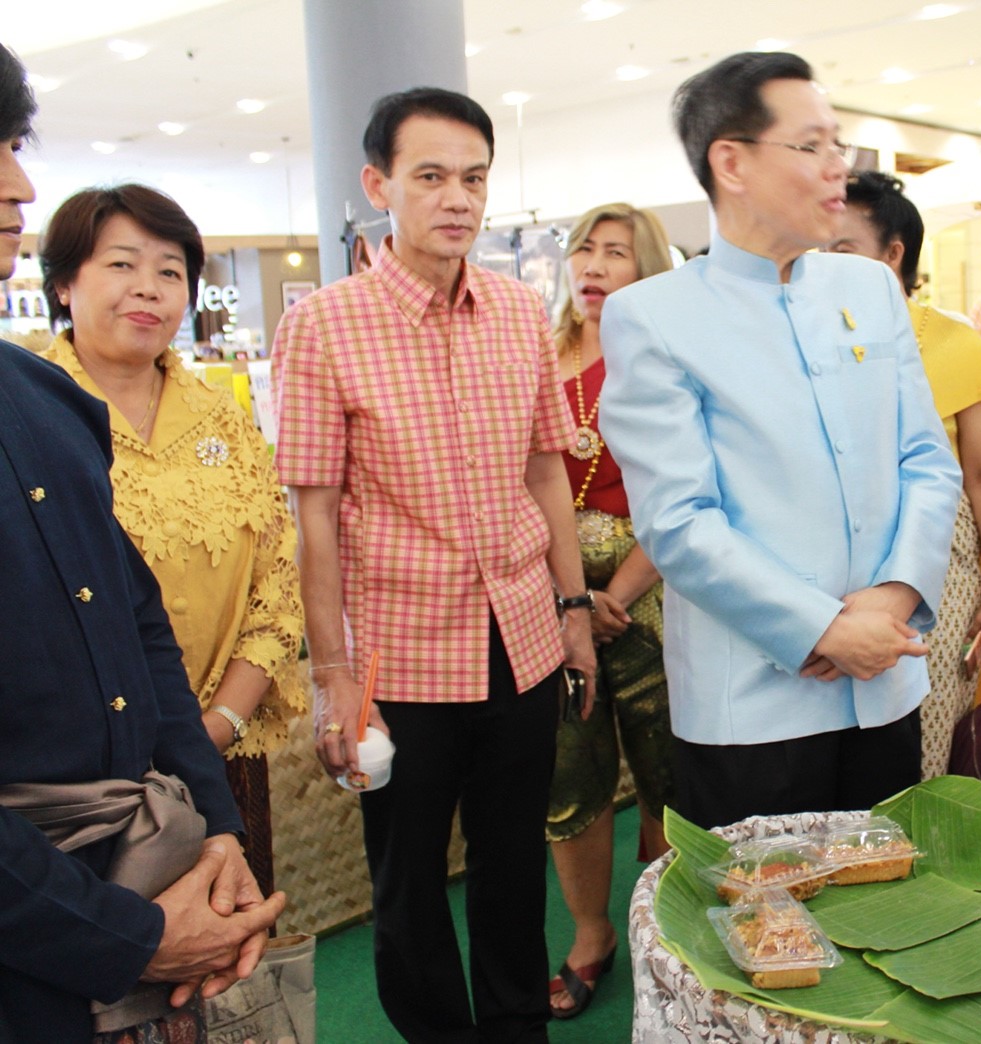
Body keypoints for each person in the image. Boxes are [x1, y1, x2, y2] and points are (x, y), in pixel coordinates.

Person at [273, 86, 596, 1042]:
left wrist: (572, 608)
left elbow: (545, 470)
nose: (457, 198)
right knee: (408, 883)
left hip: (522, 639)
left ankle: (513, 1027)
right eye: (430, 177)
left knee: (511, 863)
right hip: (400, 658)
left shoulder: (513, 308)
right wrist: (333, 678)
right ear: (378, 185)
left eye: (473, 178)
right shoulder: (325, 325)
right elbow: (315, 518)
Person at [0, 45, 284, 1042]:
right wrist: (119, 933)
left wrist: (214, 827)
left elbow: (136, 630)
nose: (20, 186)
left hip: (158, 851)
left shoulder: (42, 404)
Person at [599, 51, 960, 830]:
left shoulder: (867, 288)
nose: (840, 169)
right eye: (812, 147)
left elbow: (927, 461)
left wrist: (893, 600)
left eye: (839, 145)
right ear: (731, 161)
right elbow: (679, 521)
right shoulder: (653, 316)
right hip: (752, 708)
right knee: (764, 932)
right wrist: (825, 628)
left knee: (886, 905)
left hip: (884, 683)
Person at [38, 184, 307, 897]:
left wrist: (218, 723)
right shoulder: (29, 413)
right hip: (81, 775)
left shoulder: (223, 417)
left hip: (224, 748)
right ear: (65, 284)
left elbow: (278, 583)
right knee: (111, 976)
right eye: (121, 265)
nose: (148, 290)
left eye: (169, 271)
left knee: (237, 964)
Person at [829, 171, 981, 775]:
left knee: (923, 736)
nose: (822, 263)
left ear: (892, 253)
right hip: (836, 574)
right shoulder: (816, 338)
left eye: (840, 248)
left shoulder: (951, 343)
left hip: (938, 570)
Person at [546, 202, 675, 1018]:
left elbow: (685, 493)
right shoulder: (532, 354)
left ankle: (657, 926)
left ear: (648, 269)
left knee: (669, 774)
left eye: (616, 253)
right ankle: (590, 936)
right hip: (549, 603)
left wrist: (615, 596)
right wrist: (567, 600)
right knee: (569, 779)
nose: (594, 266)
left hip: (654, 597)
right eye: (584, 250)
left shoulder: (666, 359)